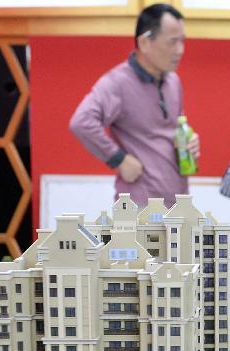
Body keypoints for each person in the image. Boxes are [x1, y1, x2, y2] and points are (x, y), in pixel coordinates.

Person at [70, 3, 199, 209]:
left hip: (178, 203)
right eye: (172, 42)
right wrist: (118, 159)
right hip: (139, 207)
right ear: (145, 42)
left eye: (182, 41)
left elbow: (177, 127)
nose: (180, 50)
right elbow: (81, 122)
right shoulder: (117, 83)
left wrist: (189, 140)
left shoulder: (173, 81)